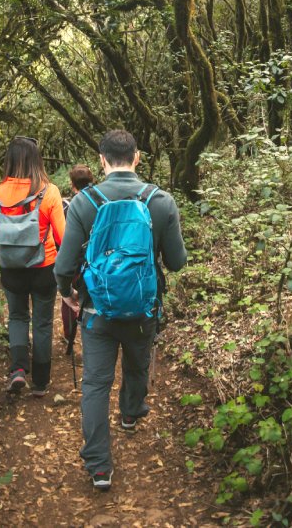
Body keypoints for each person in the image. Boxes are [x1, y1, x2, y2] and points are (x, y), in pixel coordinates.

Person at [54, 130, 187, 490]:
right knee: (137, 362)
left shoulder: (85, 202)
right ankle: (130, 413)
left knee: (96, 383)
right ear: (137, 157)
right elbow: (176, 262)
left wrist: (66, 294)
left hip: (97, 311)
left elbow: (63, 265)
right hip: (144, 309)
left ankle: (99, 466)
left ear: (102, 159)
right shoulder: (160, 201)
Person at [0, 136, 66, 396]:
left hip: (12, 270)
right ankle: (40, 383)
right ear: (36, 160)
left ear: (9, 161)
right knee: (42, 323)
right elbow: (63, 237)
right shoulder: (49, 191)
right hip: (44, 267)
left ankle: (18, 370)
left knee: (17, 317)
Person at [60, 164, 95, 356]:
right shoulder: (101, 202)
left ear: (72, 185)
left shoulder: (67, 206)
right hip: (93, 262)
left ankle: (69, 335)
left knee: (68, 299)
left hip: (73, 261)